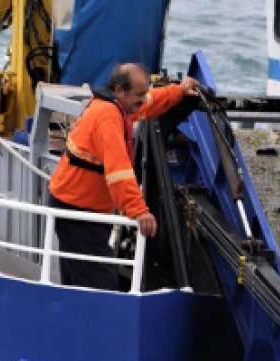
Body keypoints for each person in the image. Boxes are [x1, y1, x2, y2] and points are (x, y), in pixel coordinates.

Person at [47, 63, 199, 290]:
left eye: (144, 92)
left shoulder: (118, 105)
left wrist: (179, 91)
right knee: (99, 284)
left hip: (78, 203)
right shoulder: (107, 116)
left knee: (77, 279)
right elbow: (119, 173)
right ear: (120, 90)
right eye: (139, 94)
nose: (143, 98)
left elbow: (150, 102)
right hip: (78, 210)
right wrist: (139, 211)